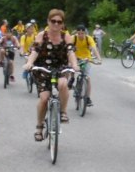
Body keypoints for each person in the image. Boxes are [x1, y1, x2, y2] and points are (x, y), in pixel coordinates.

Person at [23, 9, 79, 141]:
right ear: (48, 21)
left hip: (60, 68)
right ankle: (39, 127)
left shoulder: (66, 36)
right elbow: (35, 51)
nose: (56, 24)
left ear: (62, 24)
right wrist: (30, 63)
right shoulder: (42, 35)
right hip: (43, 69)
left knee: (63, 84)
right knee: (44, 98)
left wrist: (74, 65)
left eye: (59, 22)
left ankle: (63, 112)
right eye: (53, 21)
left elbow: (70, 52)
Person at [73, 24, 102, 107]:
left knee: (87, 78)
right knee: (71, 70)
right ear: (76, 33)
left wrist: (99, 59)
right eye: (79, 33)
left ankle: (88, 98)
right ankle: (72, 81)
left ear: (85, 33)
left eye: (82, 33)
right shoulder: (73, 38)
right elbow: (68, 49)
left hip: (87, 59)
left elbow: (94, 49)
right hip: (76, 58)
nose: (80, 35)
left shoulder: (89, 38)